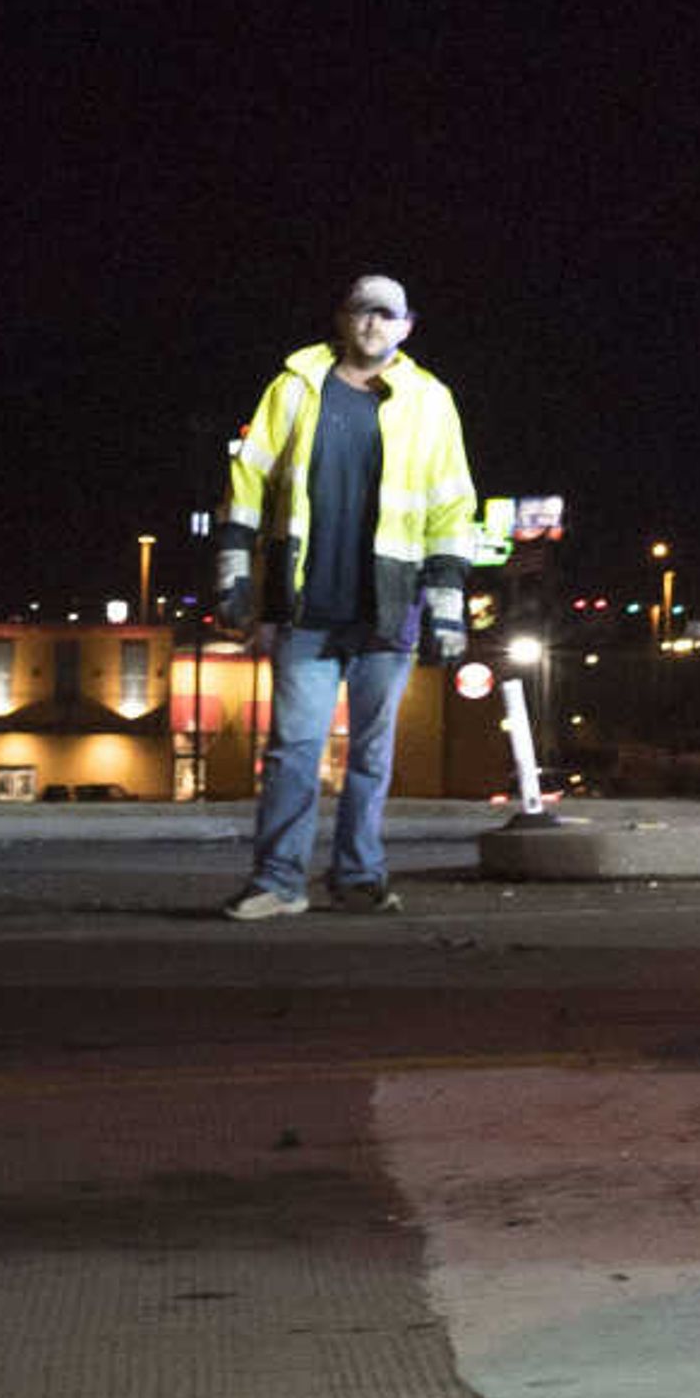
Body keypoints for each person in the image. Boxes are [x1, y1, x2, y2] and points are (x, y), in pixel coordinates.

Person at [213, 275, 476, 919]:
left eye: (387, 314)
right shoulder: (295, 388)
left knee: (371, 753)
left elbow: (452, 503)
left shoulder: (430, 401)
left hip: (387, 607)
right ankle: (278, 882)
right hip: (306, 604)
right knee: (293, 749)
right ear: (342, 318)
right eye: (362, 310)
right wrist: (234, 572)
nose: (373, 323)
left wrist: (446, 603)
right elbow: (249, 478)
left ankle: (358, 877)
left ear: (407, 326)